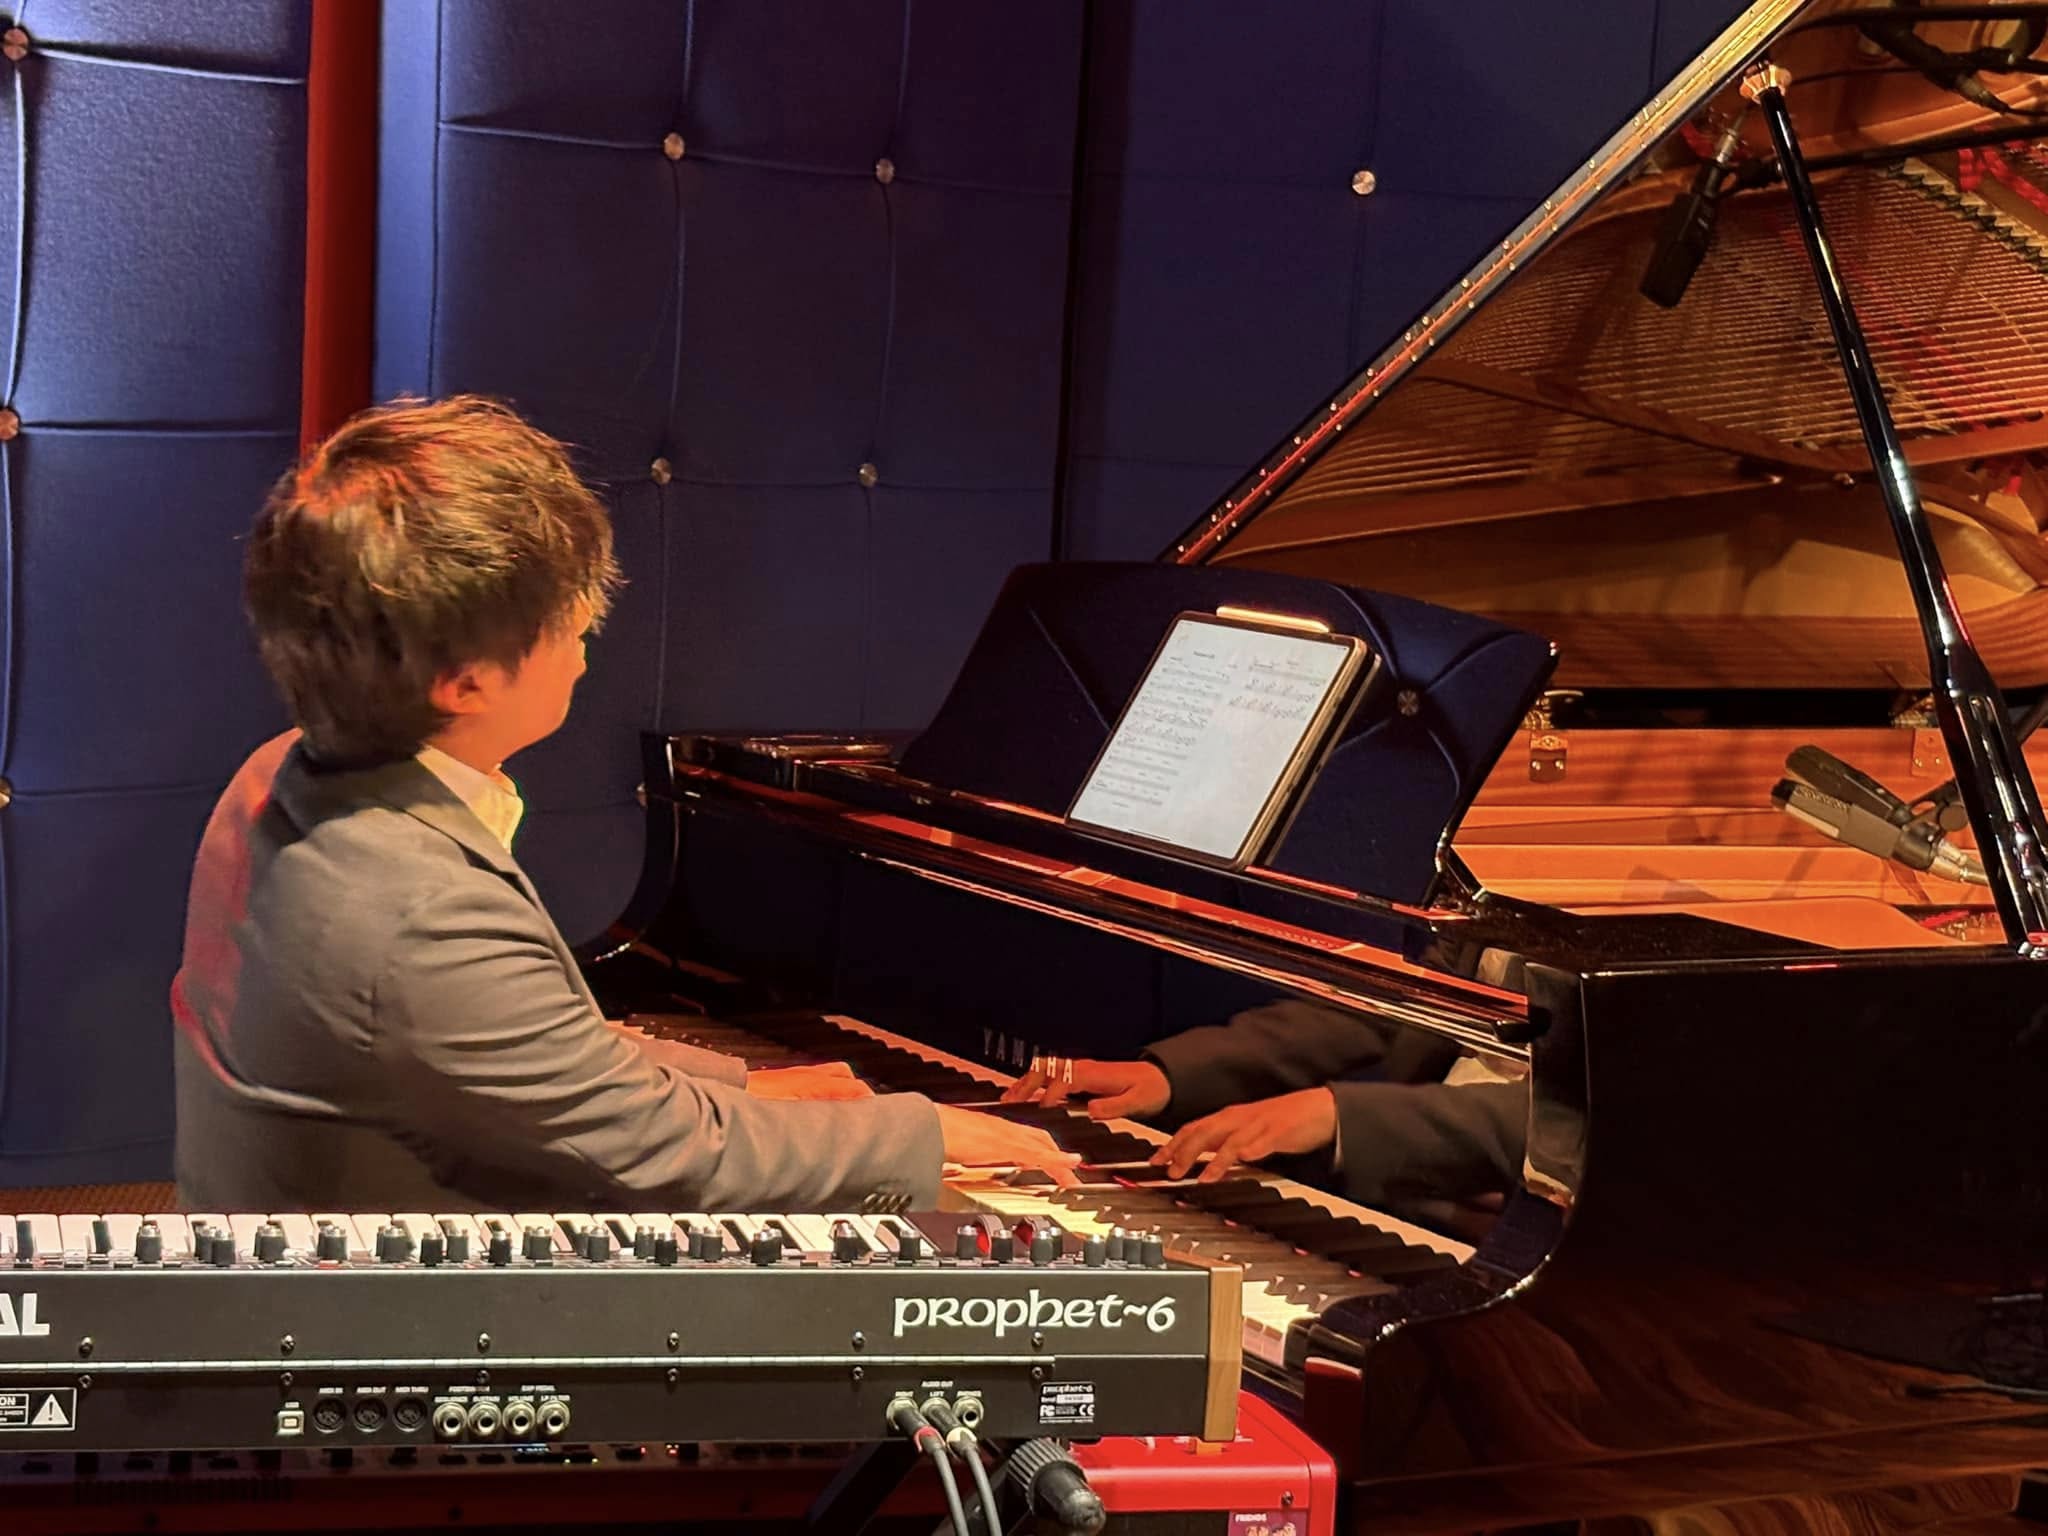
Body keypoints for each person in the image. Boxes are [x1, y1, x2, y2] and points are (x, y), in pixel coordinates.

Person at [171, 395, 1075, 1214]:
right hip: (394, 1319)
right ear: (464, 683)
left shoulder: (285, 773)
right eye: (569, 616)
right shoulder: (419, 911)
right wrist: (919, 1134)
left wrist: (741, 1085)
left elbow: (526, 1051)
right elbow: (664, 1157)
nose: (587, 640)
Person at [1002, 997, 1525, 1211]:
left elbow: (1566, 1120)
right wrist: (1171, 1075)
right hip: (1394, 1189)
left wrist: (1340, 1114)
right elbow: (1391, 1006)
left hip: (1520, 1225)